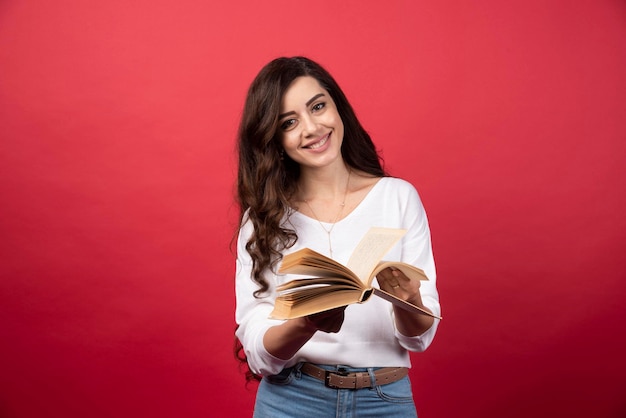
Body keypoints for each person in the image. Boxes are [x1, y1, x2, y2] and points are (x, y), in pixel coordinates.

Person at [234, 56, 441, 417]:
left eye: (318, 106)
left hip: (384, 401)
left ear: (336, 105)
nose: (312, 128)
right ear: (275, 139)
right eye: (289, 122)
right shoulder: (265, 218)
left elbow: (419, 338)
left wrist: (408, 301)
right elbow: (258, 352)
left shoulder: (397, 197)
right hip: (292, 400)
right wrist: (305, 323)